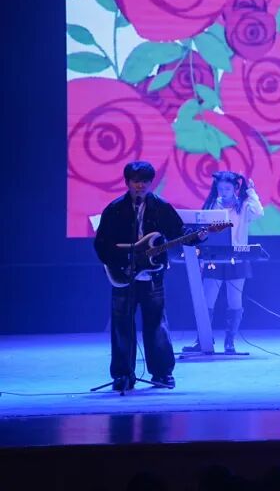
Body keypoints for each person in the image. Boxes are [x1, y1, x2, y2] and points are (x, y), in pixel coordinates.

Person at [93, 161, 202, 390]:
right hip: (122, 275)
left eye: (144, 181)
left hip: (153, 275)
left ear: (151, 183)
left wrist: (196, 237)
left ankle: (162, 373)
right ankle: (123, 375)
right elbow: (101, 243)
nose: (140, 186)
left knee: (157, 325)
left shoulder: (161, 207)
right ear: (127, 182)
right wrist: (120, 263)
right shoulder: (115, 209)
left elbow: (178, 232)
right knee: (122, 326)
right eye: (135, 181)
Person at [182, 170, 264, 354]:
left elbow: (259, 212)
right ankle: (203, 340)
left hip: (237, 258)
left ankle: (230, 341)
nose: (224, 192)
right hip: (214, 258)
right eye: (221, 189)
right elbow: (203, 231)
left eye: (227, 188)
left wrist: (251, 192)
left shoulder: (243, 206)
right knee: (207, 300)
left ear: (235, 188)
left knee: (234, 300)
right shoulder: (212, 205)